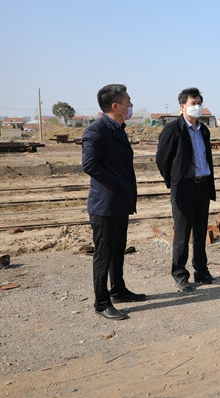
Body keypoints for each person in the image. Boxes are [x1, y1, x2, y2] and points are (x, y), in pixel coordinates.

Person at [82, 84, 145, 320]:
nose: (131, 105)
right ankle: (101, 302)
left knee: (118, 249)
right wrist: (117, 182)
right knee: (104, 254)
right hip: (105, 204)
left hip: (120, 201)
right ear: (115, 106)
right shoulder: (96, 130)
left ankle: (118, 289)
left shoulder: (118, 129)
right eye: (128, 101)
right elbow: (89, 165)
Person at [156, 87, 217, 292]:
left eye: (199, 103)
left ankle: (201, 271)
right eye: (193, 103)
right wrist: (174, 182)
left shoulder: (204, 130)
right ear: (182, 106)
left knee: (200, 232)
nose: (197, 107)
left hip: (203, 186)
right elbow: (162, 160)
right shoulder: (173, 129)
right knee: (182, 234)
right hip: (183, 188)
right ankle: (180, 275)